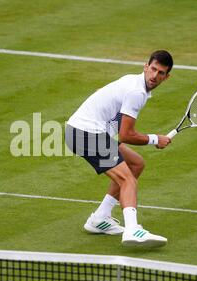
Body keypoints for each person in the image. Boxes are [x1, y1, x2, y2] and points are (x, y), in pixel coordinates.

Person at [65, 50, 173, 248]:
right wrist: (155, 139)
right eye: (153, 69)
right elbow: (126, 135)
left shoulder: (134, 84)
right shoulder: (137, 92)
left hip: (88, 131)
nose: (154, 76)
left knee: (135, 164)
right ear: (146, 67)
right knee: (127, 180)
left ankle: (100, 218)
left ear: (167, 77)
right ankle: (133, 230)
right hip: (85, 133)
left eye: (160, 73)